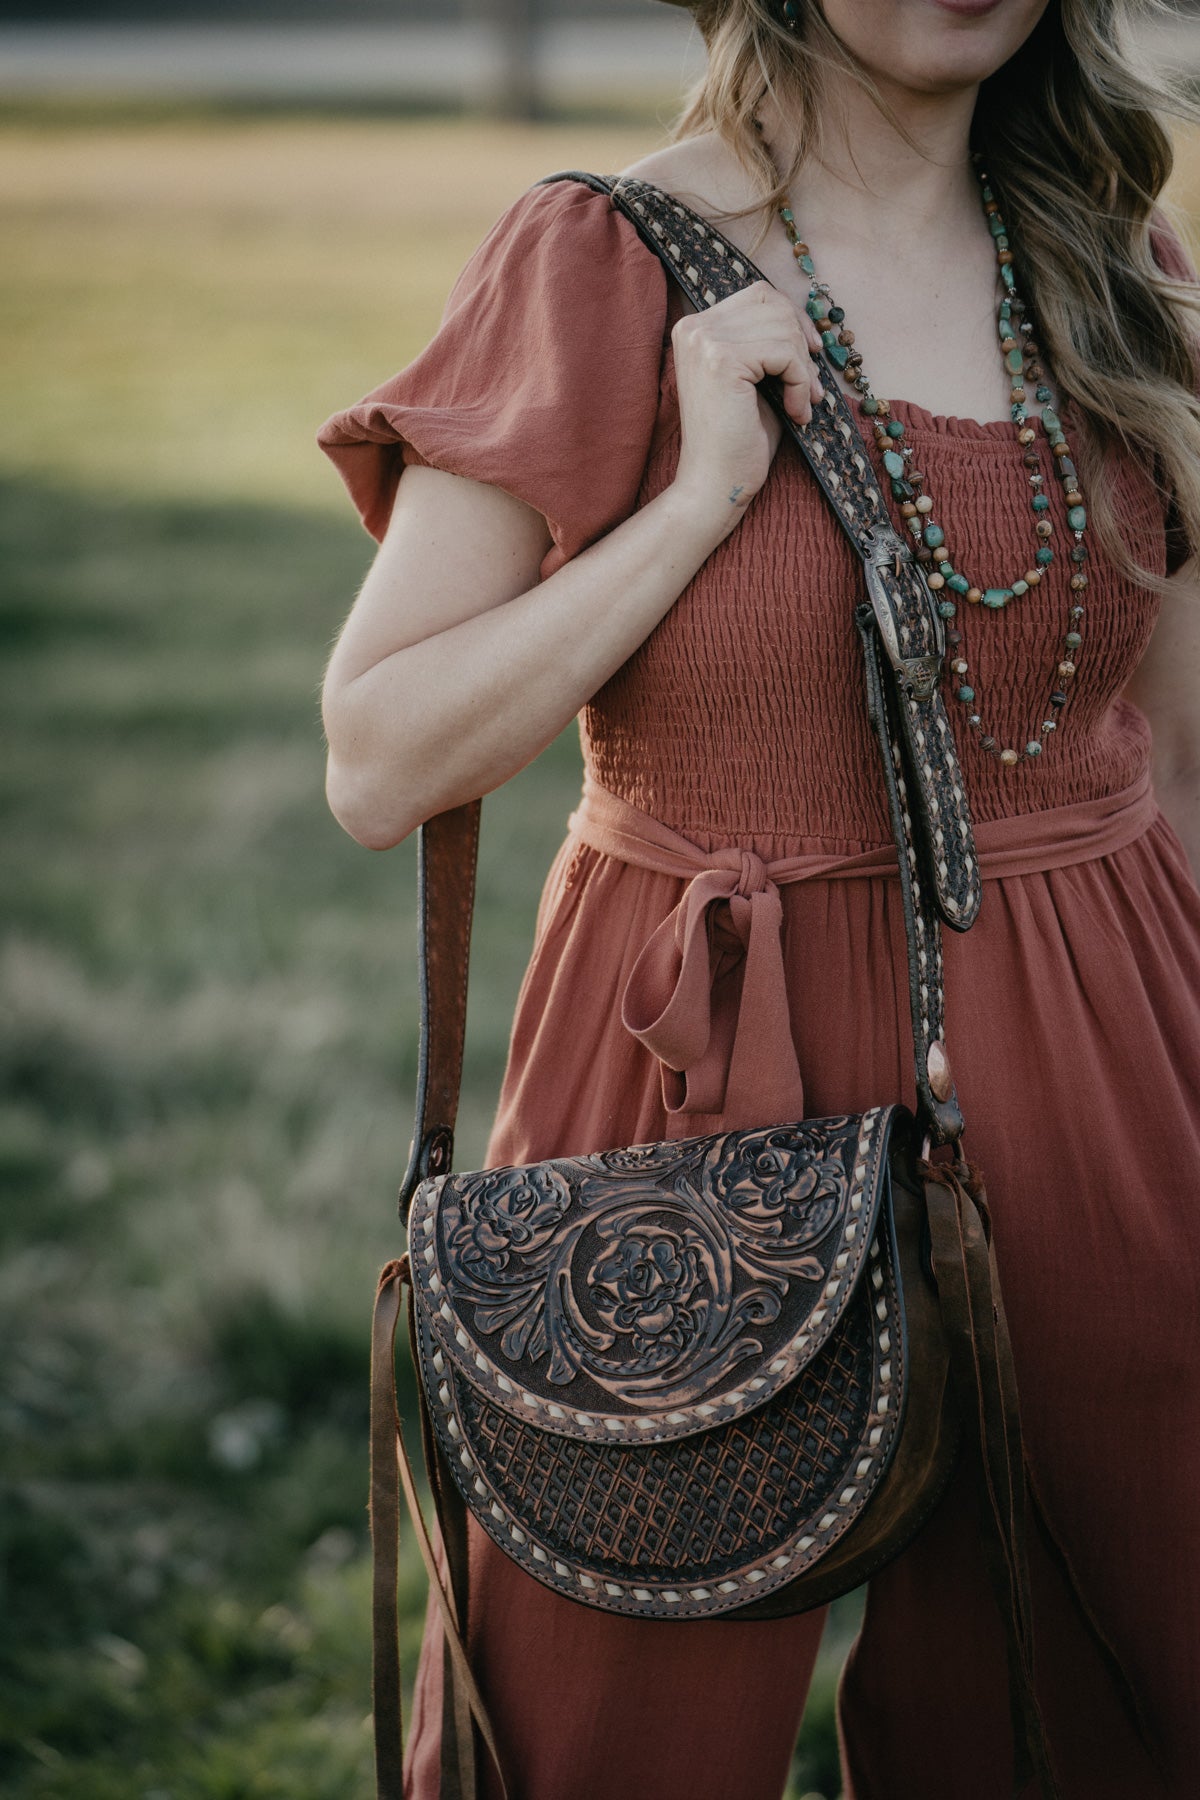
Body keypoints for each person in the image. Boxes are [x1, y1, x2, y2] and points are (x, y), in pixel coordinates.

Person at [317, 1, 1200, 1794]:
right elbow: (378, 754)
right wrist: (698, 492)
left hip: (1113, 1051)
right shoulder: (601, 256)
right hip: (696, 1085)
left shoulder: (1114, 262)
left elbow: (1175, 748)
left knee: (1119, 1699)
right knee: (597, 1733)